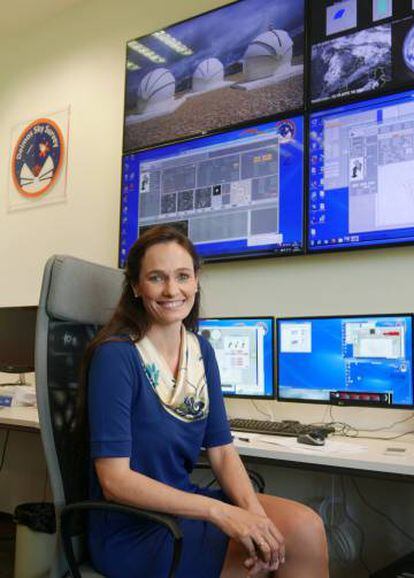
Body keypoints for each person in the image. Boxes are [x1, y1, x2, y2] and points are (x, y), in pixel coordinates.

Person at [85, 225, 329, 578]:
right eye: (157, 278)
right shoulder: (116, 356)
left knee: (305, 527)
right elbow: (115, 481)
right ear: (137, 287)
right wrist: (221, 513)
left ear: (196, 281)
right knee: (279, 546)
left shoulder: (201, 351)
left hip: (184, 506)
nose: (172, 290)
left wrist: (255, 517)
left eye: (183, 276)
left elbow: (222, 452)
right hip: (134, 527)